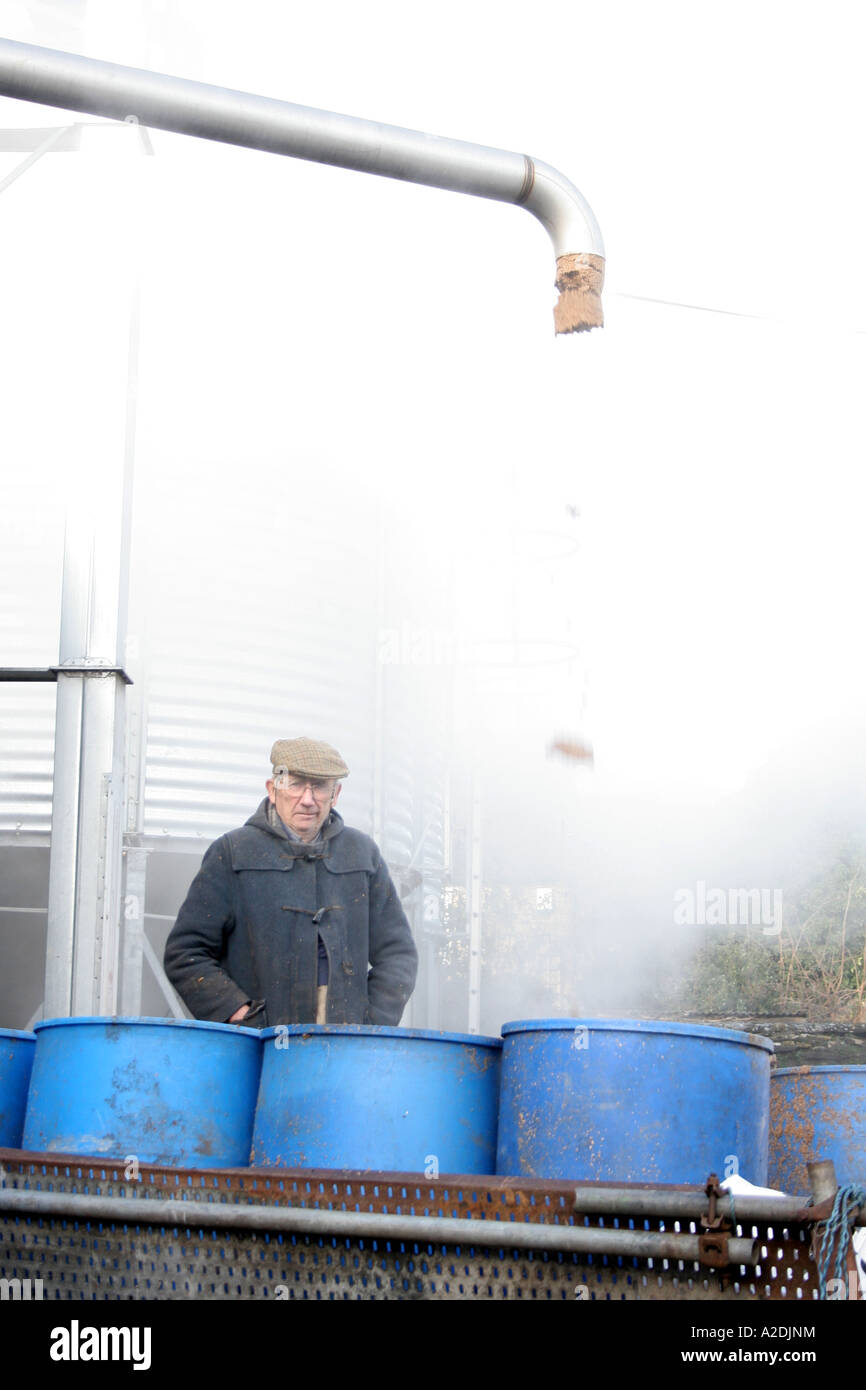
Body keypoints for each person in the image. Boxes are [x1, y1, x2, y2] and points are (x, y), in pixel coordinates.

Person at [163, 736, 418, 1027]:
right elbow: (186, 952)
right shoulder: (232, 853)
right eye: (295, 784)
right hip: (260, 1046)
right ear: (273, 789)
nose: (307, 800)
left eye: (320, 787)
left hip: (346, 1045)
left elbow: (398, 954)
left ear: (335, 795)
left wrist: (371, 1022)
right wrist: (241, 1014)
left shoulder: (362, 854)